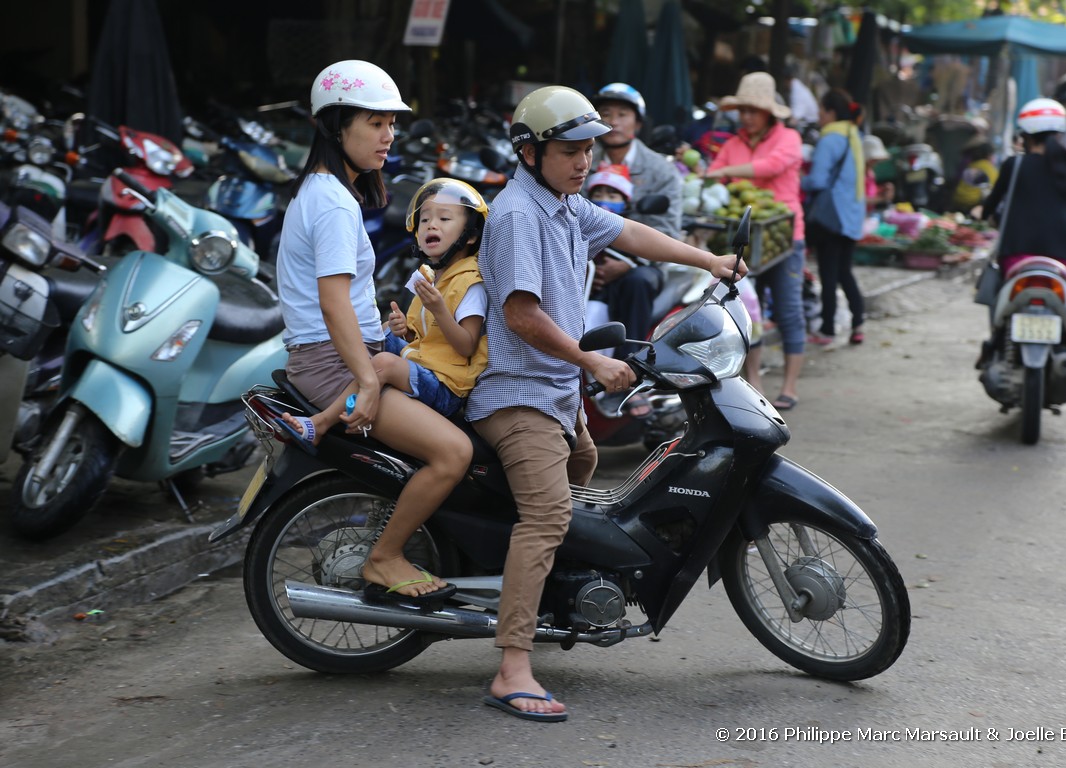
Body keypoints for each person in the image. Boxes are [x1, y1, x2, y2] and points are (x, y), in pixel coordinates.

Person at [466, 85, 745, 722]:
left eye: (589, 148)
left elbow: (630, 232)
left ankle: (542, 592)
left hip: (558, 395)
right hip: (520, 396)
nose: (584, 160)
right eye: (570, 150)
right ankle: (511, 667)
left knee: (584, 473)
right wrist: (590, 360)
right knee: (546, 517)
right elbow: (521, 314)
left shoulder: (565, 206)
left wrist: (711, 260)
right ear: (531, 152)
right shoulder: (518, 215)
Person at [274, 60, 469, 605]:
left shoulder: (326, 191)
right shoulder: (334, 201)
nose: (388, 136)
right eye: (375, 123)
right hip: (334, 365)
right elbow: (331, 302)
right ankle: (384, 556)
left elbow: (344, 302)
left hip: (349, 352)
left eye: (391, 124)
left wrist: (389, 336)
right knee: (452, 453)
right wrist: (367, 377)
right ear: (336, 126)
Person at [278, 177, 489, 445]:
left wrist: (438, 310)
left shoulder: (471, 284)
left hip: (446, 386)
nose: (431, 225)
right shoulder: (428, 276)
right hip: (424, 364)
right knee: (383, 333)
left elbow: (466, 346)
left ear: (470, 235)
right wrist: (405, 328)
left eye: (444, 219)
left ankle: (322, 423)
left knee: (384, 363)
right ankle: (351, 398)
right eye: (424, 220)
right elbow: (426, 338)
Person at [703, 71, 807, 412]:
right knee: (746, 311)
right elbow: (713, 172)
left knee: (789, 309)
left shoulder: (789, 138)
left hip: (784, 238)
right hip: (745, 240)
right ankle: (753, 381)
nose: (745, 116)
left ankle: (790, 385)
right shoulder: (732, 144)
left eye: (752, 110)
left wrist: (720, 172)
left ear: (768, 112)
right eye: (742, 110)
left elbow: (772, 165)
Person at [980, 98, 1066, 290]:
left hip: (1017, 252)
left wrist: (984, 214)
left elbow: (991, 204)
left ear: (1025, 136)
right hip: (1064, 257)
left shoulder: (1014, 165)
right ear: (1059, 134)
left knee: (1004, 292)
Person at [584, 163, 664, 401]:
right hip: (593, 291)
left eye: (612, 194)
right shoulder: (579, 221)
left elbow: (651, 250)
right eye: (597, 194)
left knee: (637, 282)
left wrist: (627, 264)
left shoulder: (634, 225)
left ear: (626, 200)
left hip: (629, 285)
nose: (604, 200)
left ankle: (632, 370)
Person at [803, 89, 868, 347]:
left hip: (832, 215)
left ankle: (828, 328)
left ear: (831, 112)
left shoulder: (830, 139)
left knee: (829, 273)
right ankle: (858, 323)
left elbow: (817, 180)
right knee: (844, 271)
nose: (818, 116)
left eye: (820, 111)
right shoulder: (855, 136)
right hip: (852, 215)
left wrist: (801, 180)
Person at [589, 82, 683, 238]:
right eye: (605, 114)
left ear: (638, 123)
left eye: (622, 114)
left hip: (640, 259)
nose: (613, 122)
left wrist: (630, 261)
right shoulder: (581, 163)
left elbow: (668, 230)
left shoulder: (662, 171)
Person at [861, 134, 895, 212]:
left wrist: (882, 189)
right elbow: (859, 200)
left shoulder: (870, 172)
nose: (876, 163)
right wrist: (882, 199)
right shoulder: (858, 174)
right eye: (875, 160)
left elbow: (870, 190)